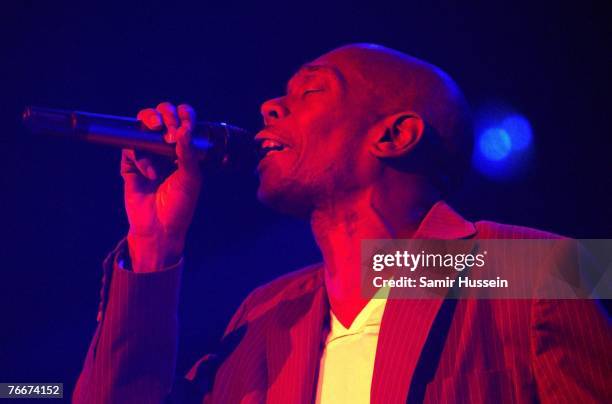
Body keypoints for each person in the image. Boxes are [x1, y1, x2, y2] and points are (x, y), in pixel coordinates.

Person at [73, 44, 611, 403]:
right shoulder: (263, 315)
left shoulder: (539, 269)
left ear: (394, 136)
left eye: (310, 91)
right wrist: (154, 244)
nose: (268, 106)